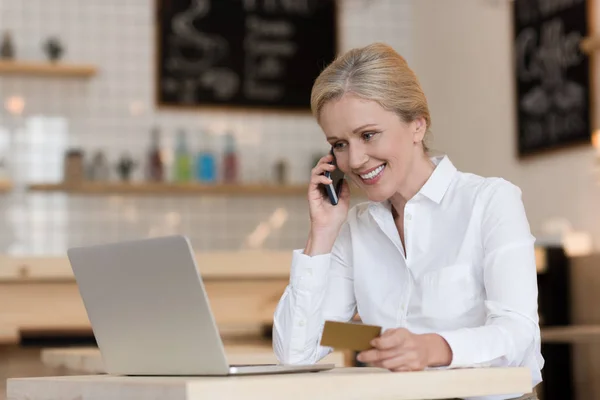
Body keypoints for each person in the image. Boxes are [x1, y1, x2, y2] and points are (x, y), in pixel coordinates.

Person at [272, 42, 543, 400]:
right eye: (339, 143)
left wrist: (432, 349)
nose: (354, 160)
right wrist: (320, 234)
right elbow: (296, 357)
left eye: (368, 135)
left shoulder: (489, 201)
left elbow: (518, 333)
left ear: (417, 126)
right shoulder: (355, 228)